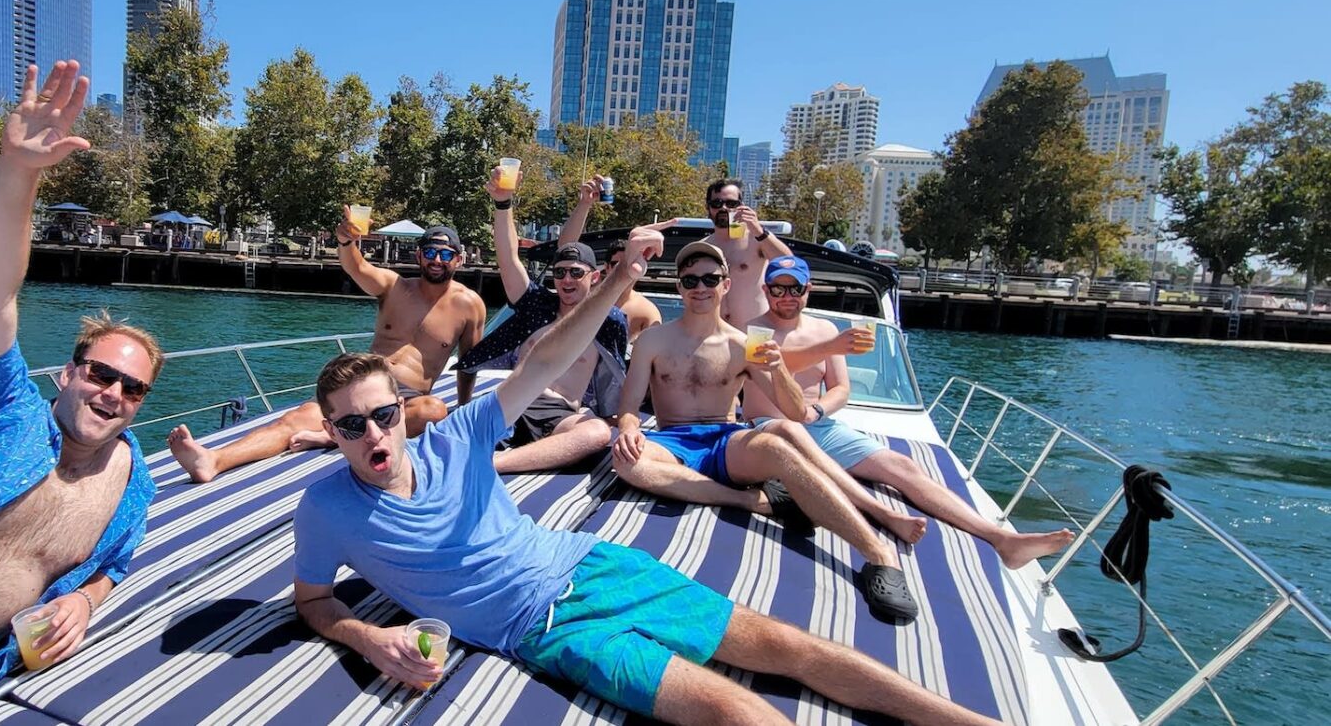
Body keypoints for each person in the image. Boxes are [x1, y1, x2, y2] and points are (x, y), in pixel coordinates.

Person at [291, 223, 1000, 726]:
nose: (373, 433)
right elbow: (316, 602)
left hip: (591, 561)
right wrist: (367, 636)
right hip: (544, 628)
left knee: (789, 645)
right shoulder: (327, 507)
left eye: (382, 415)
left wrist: (620, 278)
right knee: (734, 712)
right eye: (352, 425)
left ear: (403, 408)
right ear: (330, 431)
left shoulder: (457, 435)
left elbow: (541, 361)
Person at [0, 61, 159, 717]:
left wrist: (84, 602)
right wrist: (17, 170)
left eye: (132, 387)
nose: (112, 391)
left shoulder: (130, 483)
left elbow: (112, 566)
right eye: (99, 372)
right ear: (67, 373)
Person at [610, 241, 921, 622]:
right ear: (680, 287)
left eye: (710, 278)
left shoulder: (748, 343)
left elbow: (796, 412)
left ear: (726, 284)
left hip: (724, 438)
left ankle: (879, 555)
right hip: (671, 439)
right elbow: (629, 407)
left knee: (778, 446)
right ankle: (749, 500)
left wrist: (778, 370)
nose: (700, 287)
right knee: (627, 462)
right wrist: (628, 427)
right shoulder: (653, 340)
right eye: (690, 279)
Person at [745, 256, 1076, 569]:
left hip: (819, 424)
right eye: (778, 288)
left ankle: (1002, 539)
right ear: (766, 291)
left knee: (901, 465)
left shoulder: (827, 330)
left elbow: (841, 389)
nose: (786, 296)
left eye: (795, 288)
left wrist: (818, 410)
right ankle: (883, 514)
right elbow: (769, 364)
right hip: (772, 427)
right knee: (818, 462)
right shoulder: (753, 331)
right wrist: (829, 349)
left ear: (808, 289)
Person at [167, 217, 485, 482]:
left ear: (458, 259)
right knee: (295, 419)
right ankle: (213, 460)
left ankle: (332, 436)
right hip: (364, 381)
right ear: (418, 256)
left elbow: (469, 363)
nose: (436, 260)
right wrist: (346, 242)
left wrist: (466, 407)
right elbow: (356, 268)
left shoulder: (469, 306)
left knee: (435, 411)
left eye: (445, 254)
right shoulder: (394, 287)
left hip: (405, 398)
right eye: (430, 251)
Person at [452, 173, 622, 473]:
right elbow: (508, 258)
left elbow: (618, 376)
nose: (566, 280)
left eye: (576, 273)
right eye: (559, 273)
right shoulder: (536, 306)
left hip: (559, 412)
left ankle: (494, 464)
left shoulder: (607, 322)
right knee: (436, 423)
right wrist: (502, 203)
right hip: (510, 399)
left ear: (595, 277)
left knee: (596, 433)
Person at [557, 178, 662, 341]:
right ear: (606, 267)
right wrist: (584, 204)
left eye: (630, 263)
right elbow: (565, 249)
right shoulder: (584, 296)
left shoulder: (647, 312)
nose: (624, 270)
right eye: (617, 264)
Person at [699, 178, 793, 329]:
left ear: (741, 207)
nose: (724, 208)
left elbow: (788, 264)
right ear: (708, 208)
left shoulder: (756, 240)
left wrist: (758, 230)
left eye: (731, 204)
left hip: (753, 334)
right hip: (714, 336)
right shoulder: (703, 247)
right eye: (717, 203)